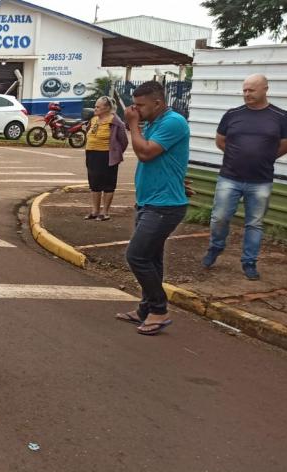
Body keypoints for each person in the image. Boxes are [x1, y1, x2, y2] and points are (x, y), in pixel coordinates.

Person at [114, 81, 190, 335]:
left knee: (136, 256)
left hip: (165, 205)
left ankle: (159, 309)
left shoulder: (173, 122)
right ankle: (146, 309)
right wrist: (139, 124)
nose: (135, 109)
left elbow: (146, 153)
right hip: (149, 202)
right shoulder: (153, 122)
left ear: (158, 103)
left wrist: (133, 125)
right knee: (152, 259)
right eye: (134, 105)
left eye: (140, 105)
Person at [202, 74, 287, 280]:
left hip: (261, 180)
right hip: (229, 177)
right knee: (219, 217)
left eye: (251, 90)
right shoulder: (232, 114)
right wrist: (238, 156)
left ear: (265, 89)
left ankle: (249, 262)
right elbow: (220, 141)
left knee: (254, 223)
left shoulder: (281, 116)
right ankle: (216, 247)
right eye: (244, 90)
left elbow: (286, 144)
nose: (246, 94)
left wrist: (264, 157)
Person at [83, 96, 128, 220]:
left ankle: (105, 212)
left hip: (107, 156)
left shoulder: (115, 122)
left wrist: (116, 153)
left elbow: (123, 141)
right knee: (94, 183)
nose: (95, 109)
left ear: (107, 108)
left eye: (98, 107)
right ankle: (95, 211)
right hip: (92, 154)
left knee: (108, 184)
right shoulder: (94, 120)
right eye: (95, 106)